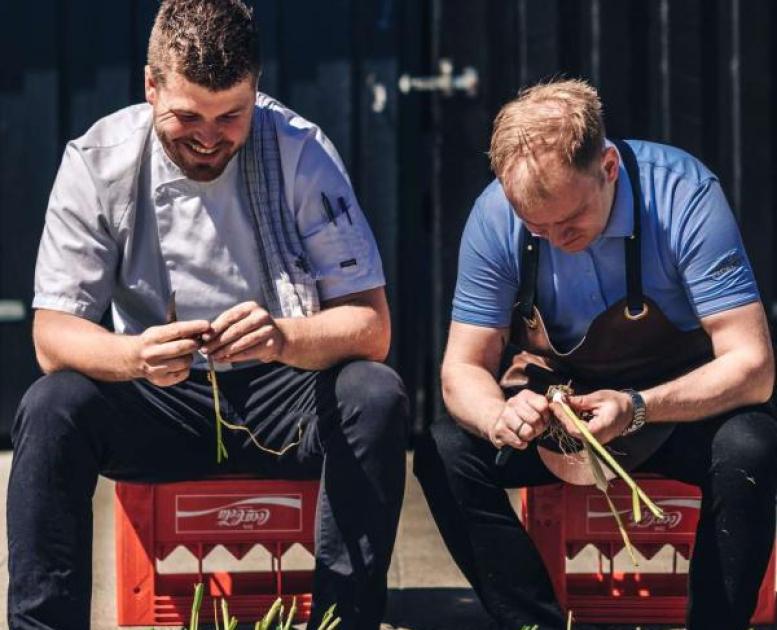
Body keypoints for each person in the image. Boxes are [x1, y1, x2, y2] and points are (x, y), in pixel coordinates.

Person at [7, 1, 408, 629]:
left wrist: (281, 337)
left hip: (282, 397)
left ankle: (342, 619)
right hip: (157, 397)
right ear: (150, 86)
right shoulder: (97, 160)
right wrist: (134, 355)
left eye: (232, 117)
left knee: (375, 393)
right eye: (186, 115)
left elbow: (371, 327)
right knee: (51, 405)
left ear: (256, 90)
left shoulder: (302, 151)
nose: (207, 136)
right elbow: (51, 334)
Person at [414, 78, 777, 630]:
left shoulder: (683, 196)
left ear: (608, 168)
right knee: (442, 452)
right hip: (561, 406)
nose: (555, 239)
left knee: (751, 447)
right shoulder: (494, 216)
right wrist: (499, 415)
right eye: (537, 227)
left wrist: (637, 407)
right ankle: (532, 621)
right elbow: (462, 368)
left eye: (570, 222)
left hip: (671, 404)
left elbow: (752, 365)